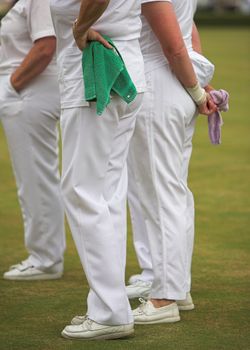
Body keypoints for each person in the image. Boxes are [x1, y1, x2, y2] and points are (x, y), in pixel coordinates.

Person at [49, 0, 146, 341]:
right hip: (121, 64)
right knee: (106, 195)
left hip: (96, 68)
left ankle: (109, 312)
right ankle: (108, 305)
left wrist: (78, 27)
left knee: (83, 192)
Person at [126, 0, 217, 324]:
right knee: (169, 192)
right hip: (173, 84)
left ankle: (164, 297)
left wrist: (197, 91)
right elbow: (187, 32)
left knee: (162, 195)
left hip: (159, 86)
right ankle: (178, 286)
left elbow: (174, 47)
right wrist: (198, 87)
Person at [0, 0, 65, 280]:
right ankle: (45, 254)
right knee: (35, 177)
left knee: (35, 178)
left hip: (30, 90)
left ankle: (46, 258)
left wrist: (12, 86)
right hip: (23, 89)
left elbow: (45, 46)